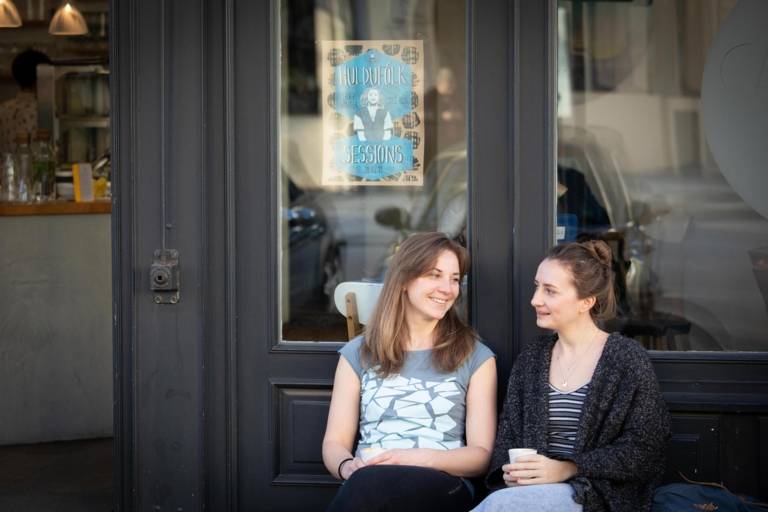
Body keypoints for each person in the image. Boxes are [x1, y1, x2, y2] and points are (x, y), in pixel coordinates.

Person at [473, 240, 670, 512]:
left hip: (598, 495)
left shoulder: (626, 358)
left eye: (550, 291)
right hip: (529, 494)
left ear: (586, 302)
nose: (535, 299)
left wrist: (568, 468)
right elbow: (508, 437)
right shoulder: (532, 358)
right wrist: (509, 471)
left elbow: (645, 449)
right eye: (537, 286)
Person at [323, 232, 497, 512]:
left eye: (454, 279)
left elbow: (480, 456)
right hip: (367, 481)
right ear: (404, 280)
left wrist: (416, 458)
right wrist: (347, 467)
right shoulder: (358, 353)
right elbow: (334, 442)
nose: (447, 288)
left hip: (442, 481)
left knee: (373, 490)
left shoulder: (475, 356)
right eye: (434, 275)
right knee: (371, 487)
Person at [0, 49, 51, 155]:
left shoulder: (3, 108)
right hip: (36, 169)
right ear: (41, 77)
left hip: (6, 169)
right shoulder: (44, 110)